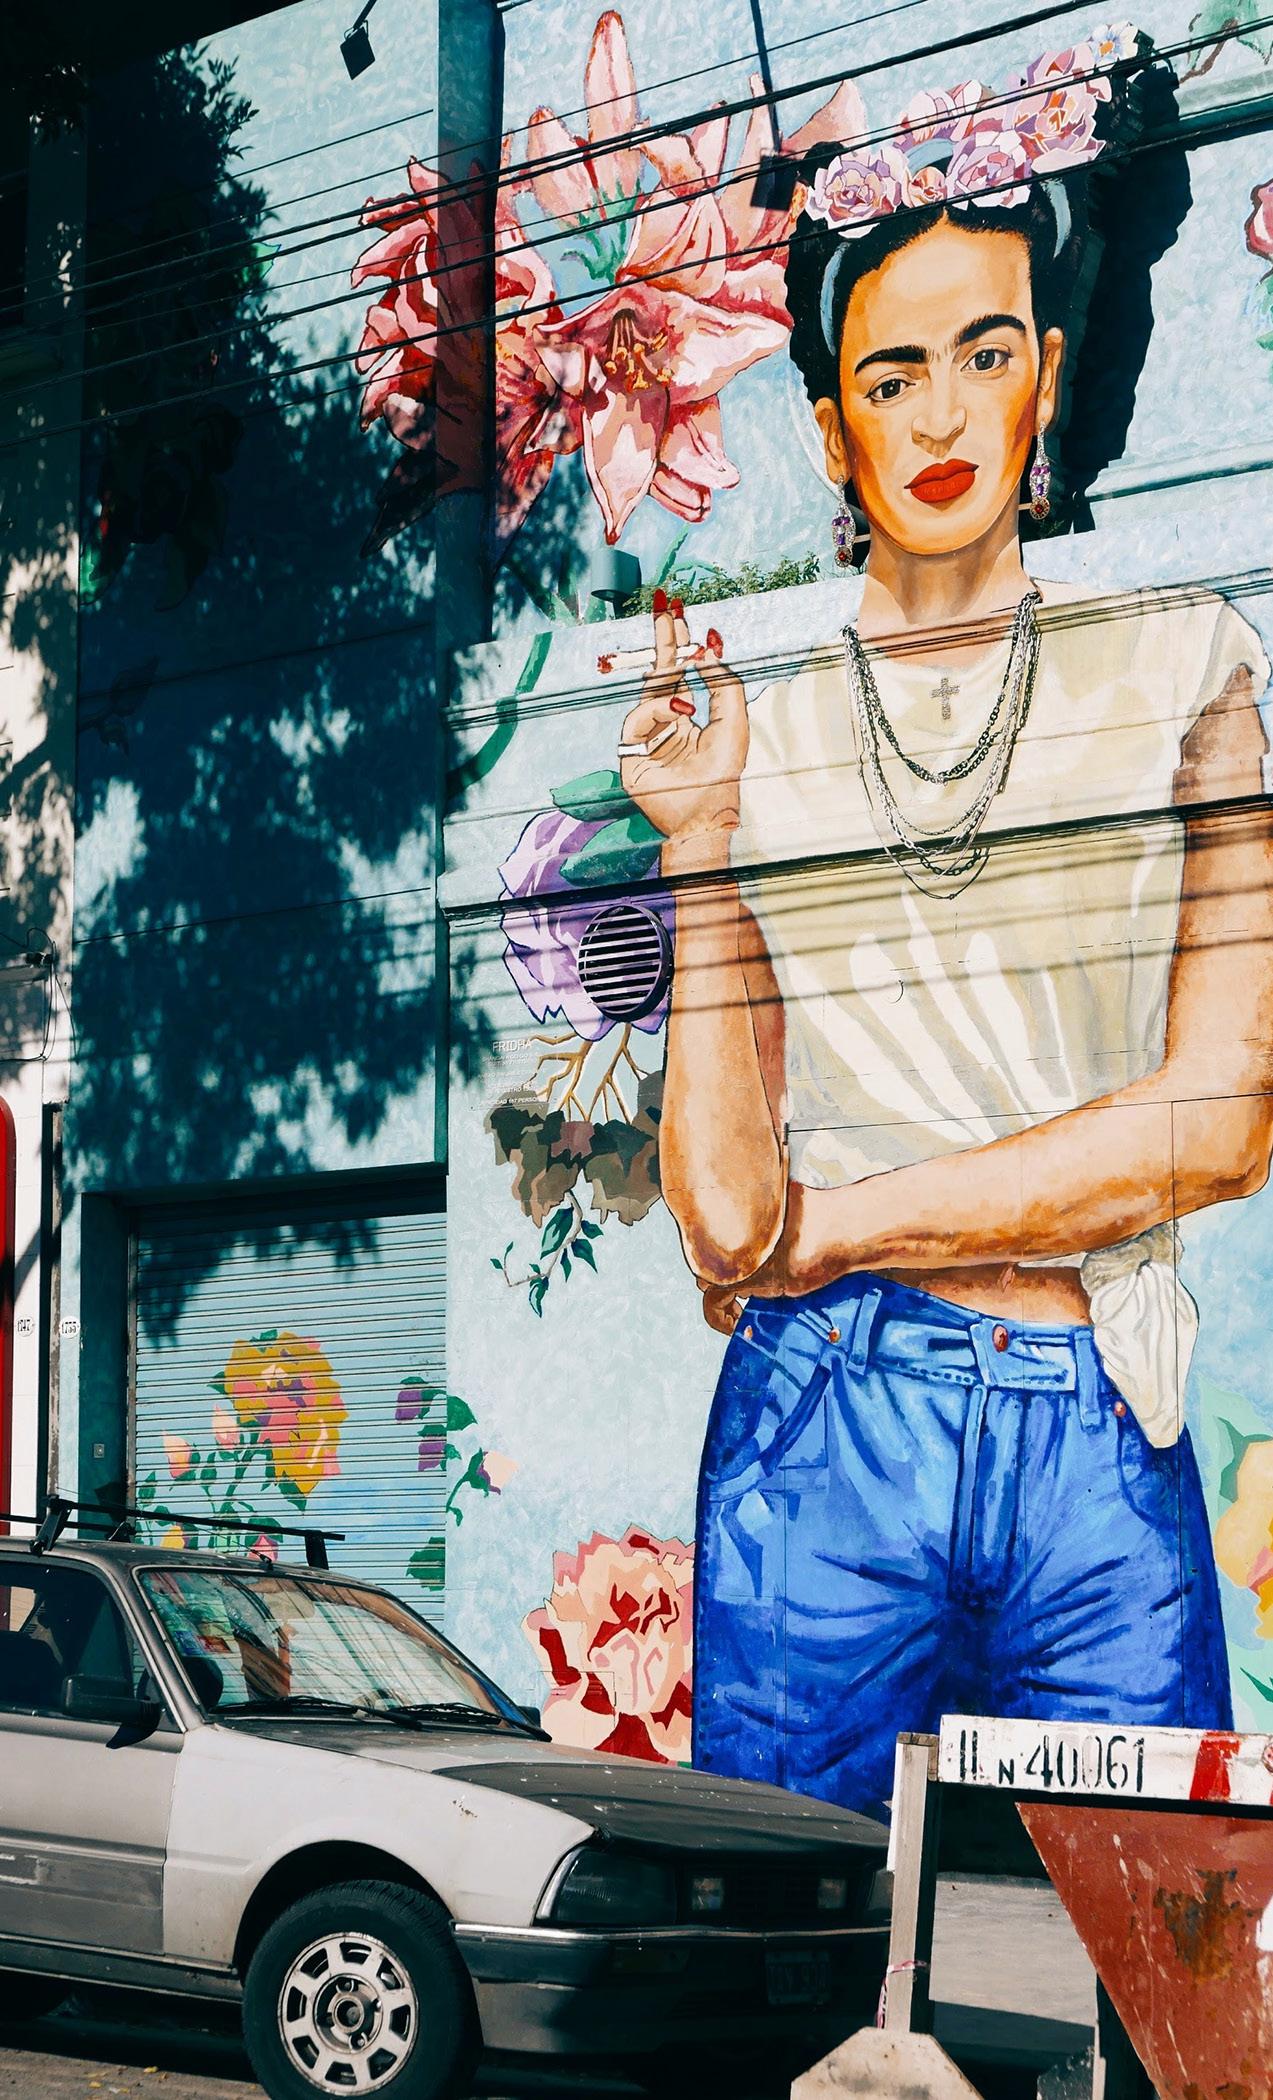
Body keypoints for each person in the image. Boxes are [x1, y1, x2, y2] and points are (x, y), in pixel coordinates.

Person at [617, 122, 1273, 1819]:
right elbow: (722, 1219)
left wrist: (838, 1229)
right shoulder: (753, 737)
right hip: (823, 1426)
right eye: (888, 374)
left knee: (1148, 1930)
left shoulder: (1189, 667)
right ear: (828, 426)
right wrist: (698, 840)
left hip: (1096, 1417)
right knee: (797, 1920)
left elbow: (1217, 1125)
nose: (937, 416)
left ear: (1044, 374)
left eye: (982, 355)